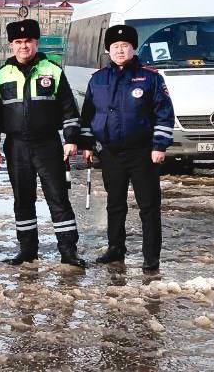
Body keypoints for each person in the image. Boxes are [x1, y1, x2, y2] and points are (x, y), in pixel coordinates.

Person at [0, 19, 86, 268]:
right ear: (11, 45)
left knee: (58, 198)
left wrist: (71, 139)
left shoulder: (52, 71)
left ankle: (68, 251)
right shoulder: (0, 75)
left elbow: (69, 109)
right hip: (16, 146)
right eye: (18, 42)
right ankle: (27, 251)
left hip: (48, 144)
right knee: (23, 199)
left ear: (36, 43)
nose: (24, 46)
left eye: (28, 41)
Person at [78, 24, 175, 273]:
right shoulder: (98, 79)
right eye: (115, 47)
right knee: (115, 203)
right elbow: (88, 114)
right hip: (110, 152)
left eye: (125, 46)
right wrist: (87, 144)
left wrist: (159, 145)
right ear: (108, 50)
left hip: (143, 152)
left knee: (148, 206)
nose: (120, 51)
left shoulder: (150, 77)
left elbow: (164, 114)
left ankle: (151, 256)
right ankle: (115, 248)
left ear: (133, 48)